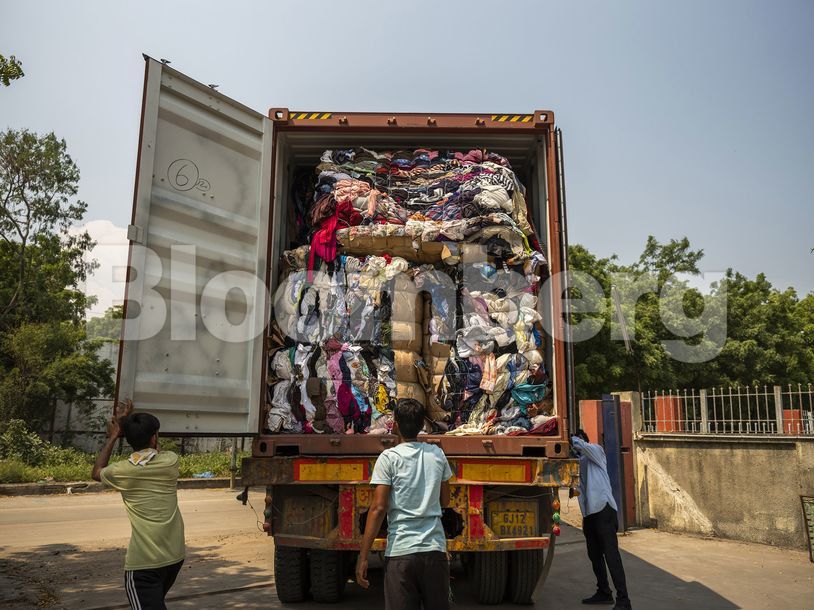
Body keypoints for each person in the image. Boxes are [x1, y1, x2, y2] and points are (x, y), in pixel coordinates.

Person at [355, 399, 453, 610]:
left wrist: (363, 556)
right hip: (435, 551)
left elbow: (378, 508)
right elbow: (445, 500)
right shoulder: (437, 454)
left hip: (401, 553)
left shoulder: (388, 458)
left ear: (395, 424)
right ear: (422, 426)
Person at [92, 400, 185, 610]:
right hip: (174, 557)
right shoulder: (170, 461)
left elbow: (97, 472)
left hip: (144, 565)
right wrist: (130, 425)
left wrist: (115, 435)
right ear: (154, 438)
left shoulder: (122, 471)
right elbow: (156, 451)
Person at [571, 429, 631, 609]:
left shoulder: (597, 452)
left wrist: (570, 438)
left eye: (578, 441)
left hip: (604, 511)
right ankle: (604, 592)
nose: (575, 446)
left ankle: (624, 600)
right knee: (594, 555)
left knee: (611, 556)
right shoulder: (579, 464)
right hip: (590, 515)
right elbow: (579, 490)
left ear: (583, 441)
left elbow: (580, 445)